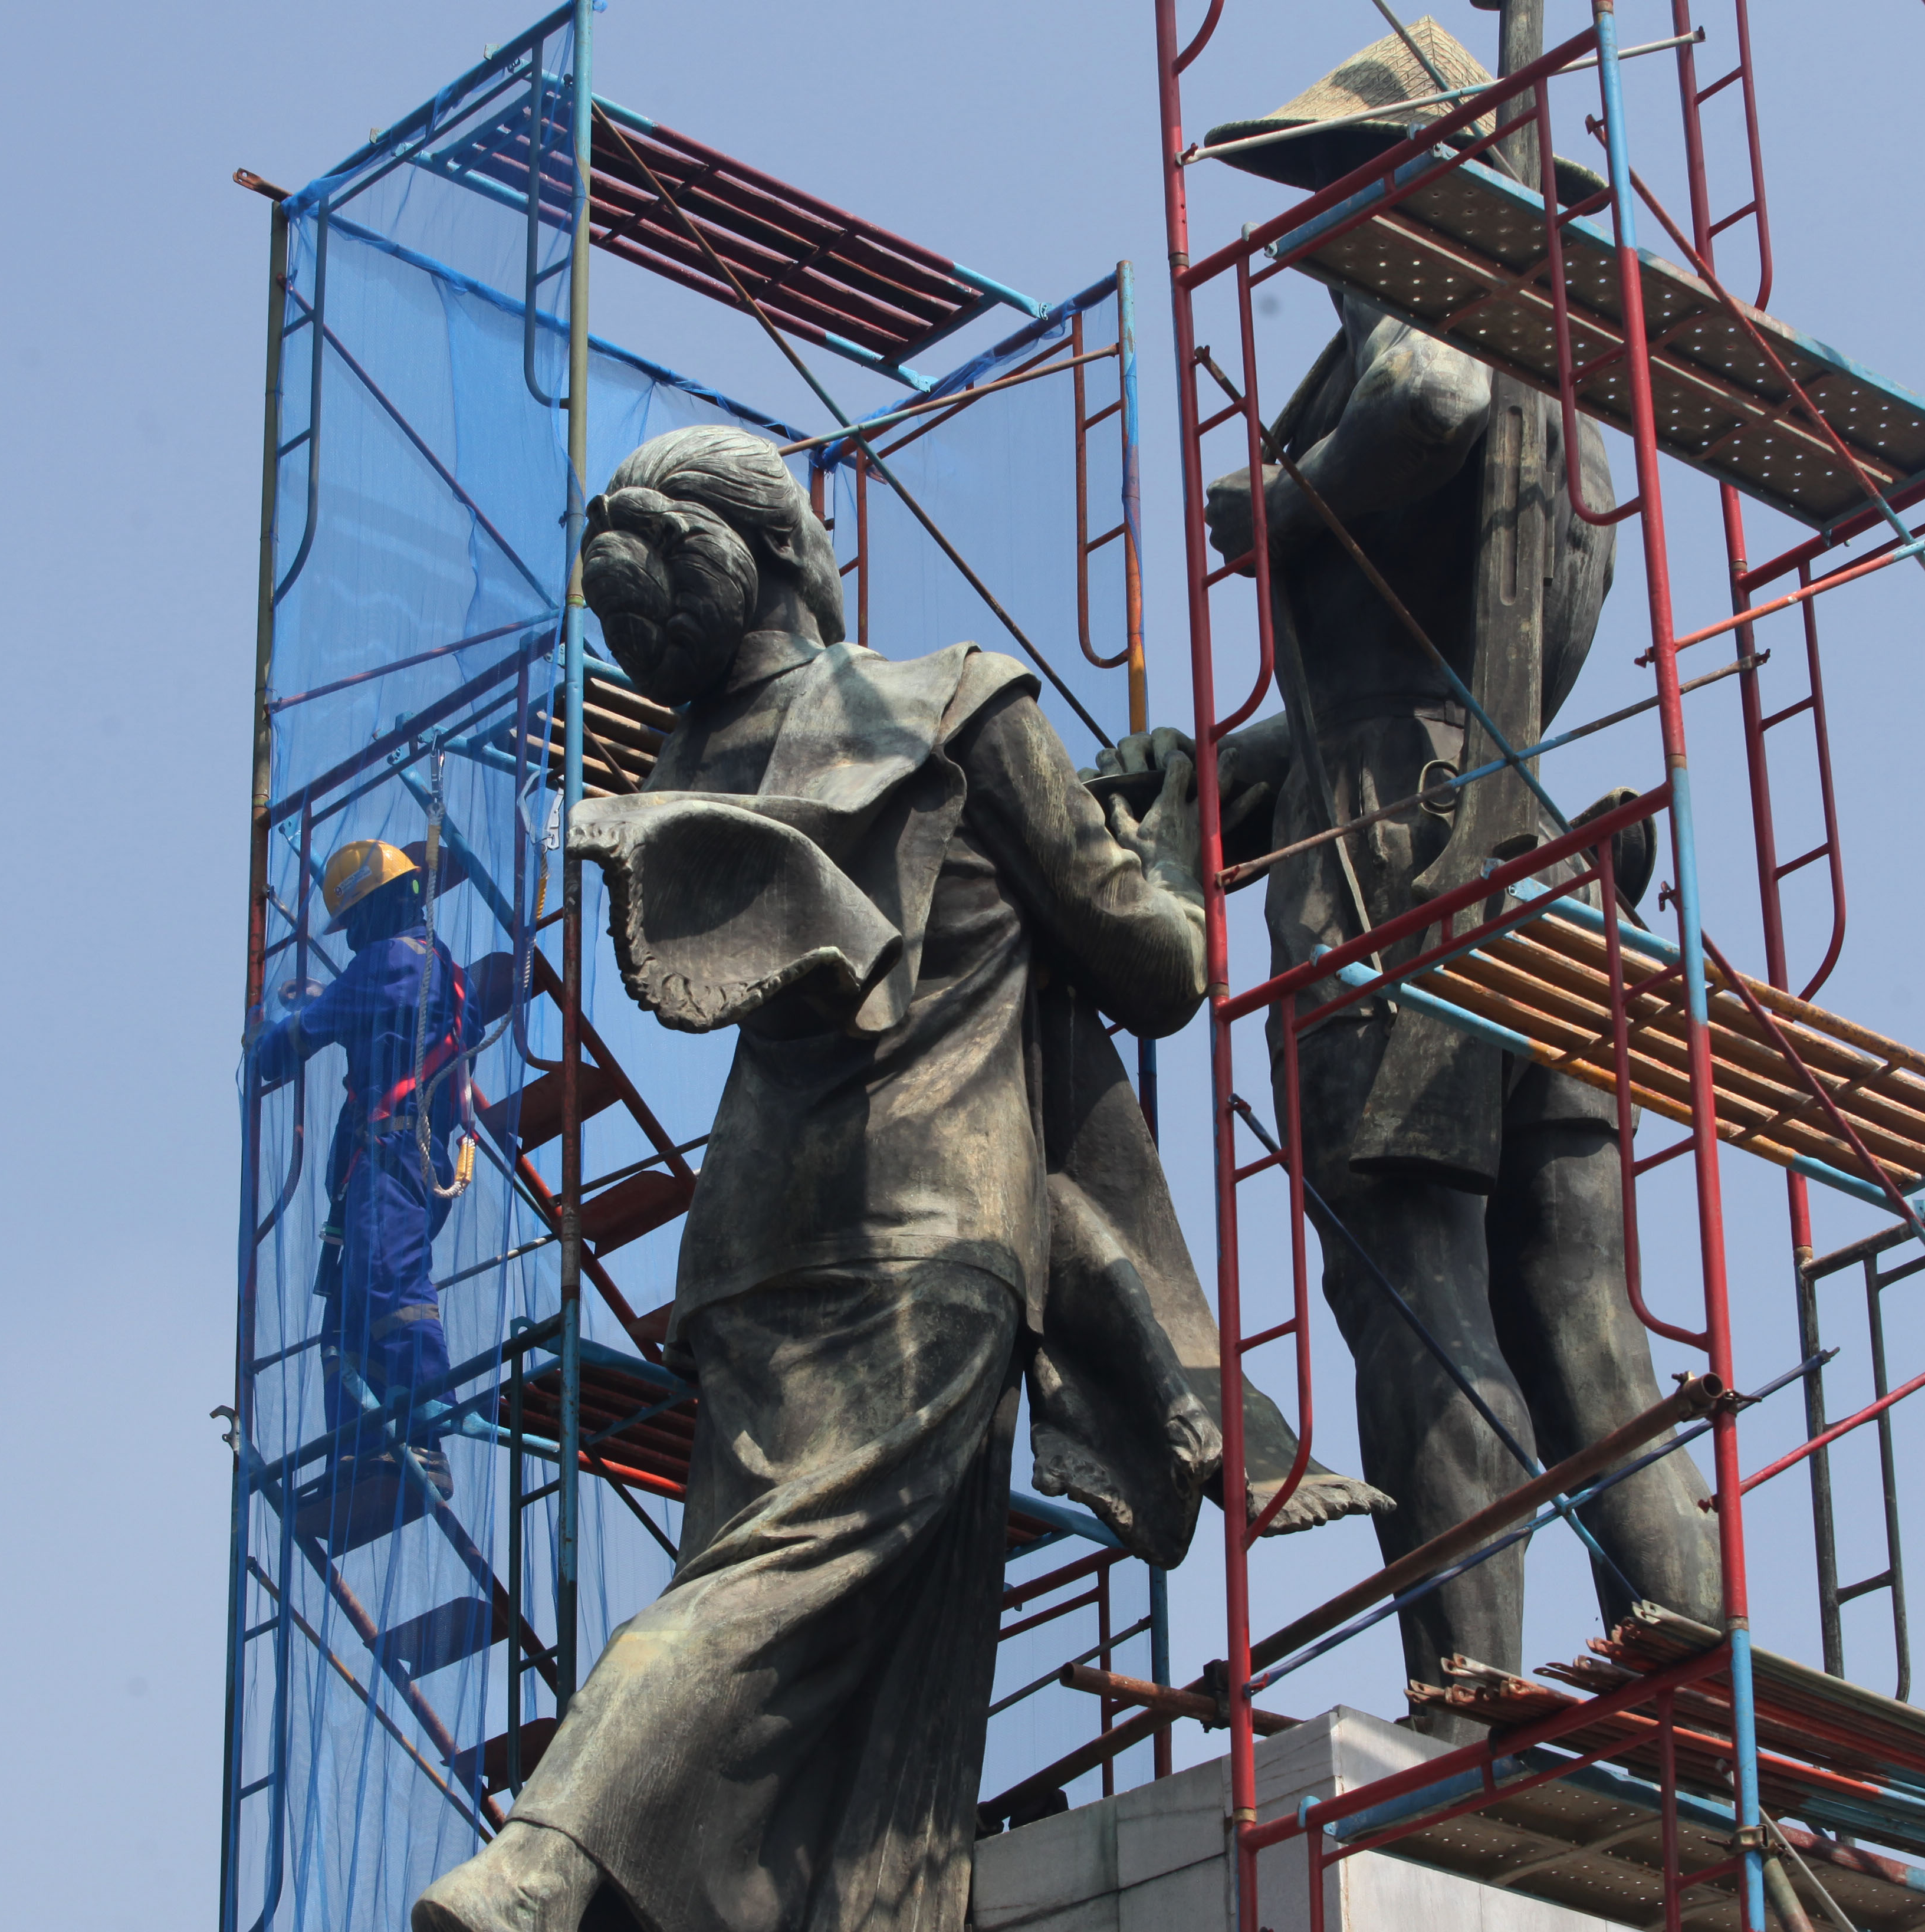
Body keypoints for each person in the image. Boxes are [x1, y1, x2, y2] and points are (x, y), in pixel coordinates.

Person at [412, 425, 1372, 1932]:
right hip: (931, 1234)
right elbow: (1156, 964)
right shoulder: (954, 700)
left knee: (804, 1617)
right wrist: (1173, 832)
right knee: (791, 1578)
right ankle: (542, 1863)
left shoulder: (691, 764)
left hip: (748, 1249)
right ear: (798, 552)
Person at [1198, 9, 1721, 1723]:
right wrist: (1218, 780)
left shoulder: (1420, 348)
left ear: (1390, 187)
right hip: (1539, 869)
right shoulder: (1569, 415)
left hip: (1394, 869)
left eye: (1334, 189)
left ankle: (1472, 1680)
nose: (1313, 238)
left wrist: (1282, 506)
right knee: (1582, 1307)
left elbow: (1423, 395)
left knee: (1422, 1300)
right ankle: (1694, 1660)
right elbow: (1409, 670)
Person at [247, 837, 511, 1483]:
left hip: (391, 1157)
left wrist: (269, 1036)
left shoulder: (384, 963)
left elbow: (295, 1042)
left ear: (366, 914)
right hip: (411, 1162)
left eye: (352, 924)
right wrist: (331, 997)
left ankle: (423, 1426)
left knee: (390, 1287)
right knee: (348, 1314)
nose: (350, 939)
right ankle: (361, 1445)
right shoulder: (440, 969)